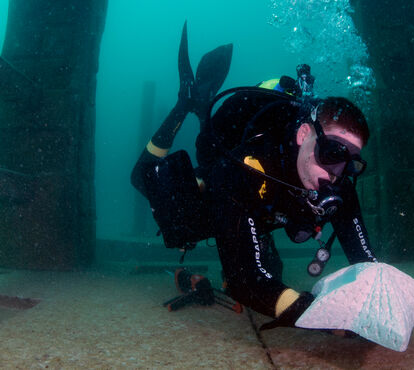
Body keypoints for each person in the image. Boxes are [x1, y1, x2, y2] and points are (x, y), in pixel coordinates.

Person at [130, 34, 377, 330]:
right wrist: (323, 315)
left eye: (351, 161)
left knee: (273, 274)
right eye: (333, 151)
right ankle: (186, 104)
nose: (338, 170)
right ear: (303, 136)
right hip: (225, 181)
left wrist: (385, 302)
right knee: (173, 211)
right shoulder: (246, 167)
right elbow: (245, 282)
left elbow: (366, 263)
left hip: (261, 208)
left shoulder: (339, 181)